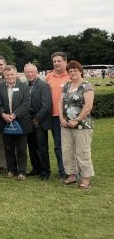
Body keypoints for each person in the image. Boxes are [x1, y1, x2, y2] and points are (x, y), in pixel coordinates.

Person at [59, 61, 95, 189]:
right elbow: (61, 102)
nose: (73, 72)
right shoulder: (67, 85)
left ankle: (86, 179)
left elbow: (88, 106)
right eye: (70, 71)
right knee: (67, 151)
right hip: (66, 125)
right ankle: (72, 175)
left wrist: (77, 120)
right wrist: (61, 118)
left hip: (82, 126)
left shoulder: (87, 86)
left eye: (75, 70)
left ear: (80, 71)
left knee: (82, 151)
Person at [0, 66, 31, 181]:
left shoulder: (24, 87)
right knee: (8, 148)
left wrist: (14, 115)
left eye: (12, 74)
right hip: (5, 121)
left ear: (16, 74)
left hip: (21, 121)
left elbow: (26, 103)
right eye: (7, 75)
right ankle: (11, 169)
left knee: (21, 148)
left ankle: (21, 172)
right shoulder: (0, 87)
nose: (10, 77)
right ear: (4, 76)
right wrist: (3, 114)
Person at [24, 63, 52, 180]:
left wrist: (37, 119)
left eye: (32, 72)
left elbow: (47, 105)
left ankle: (45, 171)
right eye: (27, 72)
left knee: (41, 147)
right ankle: (36, 168)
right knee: (32, 146)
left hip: (39, 121)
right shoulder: (24, 85)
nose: (30, 74)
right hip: (28, 120)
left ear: (36, 72)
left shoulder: (43, 85)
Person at [45, 52, 70, 179]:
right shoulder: (49, 77)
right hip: (54, 116)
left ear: (65, 62)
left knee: (71, 144)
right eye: (54, 61)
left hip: (69, 117)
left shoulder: (71, 76)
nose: (56, 63)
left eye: (59, 61)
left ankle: (74, 170)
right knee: (58, 145)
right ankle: (62, 170)